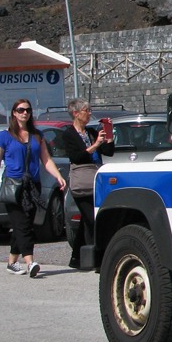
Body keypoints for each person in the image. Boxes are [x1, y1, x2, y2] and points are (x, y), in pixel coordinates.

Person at [0, 99, 67, 278]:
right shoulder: (4, 136)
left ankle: (12, 262)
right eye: (21, 110)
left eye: (27, 110)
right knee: (22, 225)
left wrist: (58, 176)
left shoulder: (37, 136)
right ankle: (30, 263)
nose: (24, 113)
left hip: (32, 186)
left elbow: (46, 160)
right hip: (14, 186)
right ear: (14, 113)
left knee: (25, 225)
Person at [60, 98, 115, 269]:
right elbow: (76, 157)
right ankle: (96, 260)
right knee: (92, 220)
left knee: (86, 220)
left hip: (95, 179)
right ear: (76, 113)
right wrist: (94, 146)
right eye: (86, 110)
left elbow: (108, 152)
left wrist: (108, 135)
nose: (90, 113)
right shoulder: (68, 134)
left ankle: (76, 258)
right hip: (81, 182)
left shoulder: (90, 132)